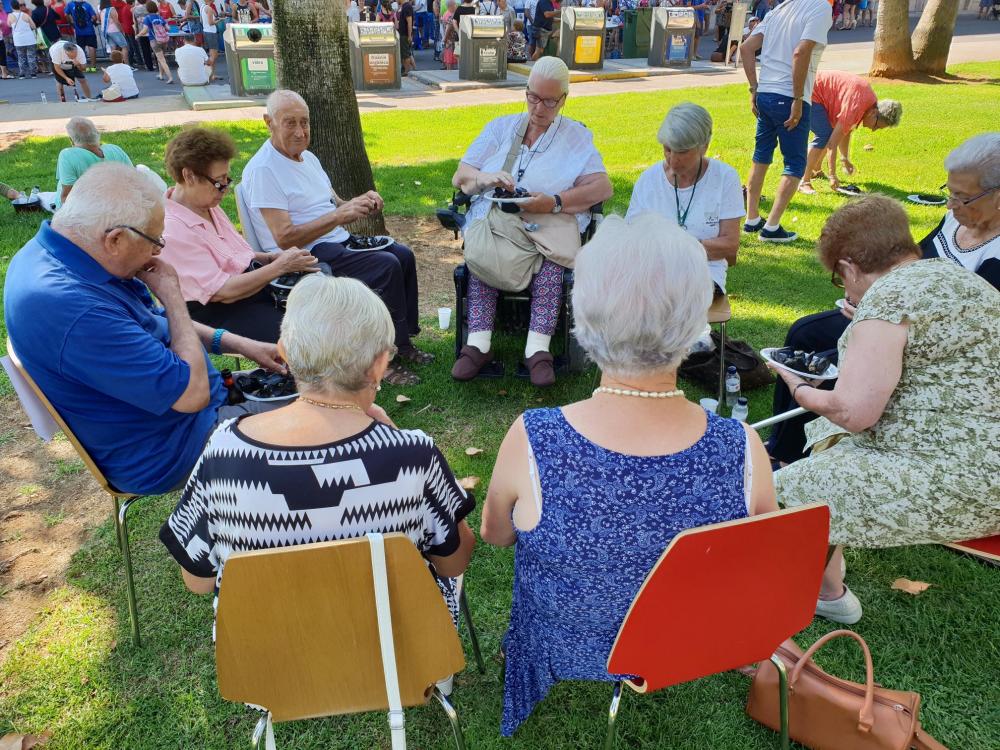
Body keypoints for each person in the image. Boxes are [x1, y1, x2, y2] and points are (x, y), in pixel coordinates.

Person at [480, 213, 777, 736]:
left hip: (564, 636)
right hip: (688, 639)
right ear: (696, 323)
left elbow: (496, 535)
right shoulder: (742, 445)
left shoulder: (535, 436)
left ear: (583, 312)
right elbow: (755, 562)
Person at [159, 274, 476, 631]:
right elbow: (454, 561)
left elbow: (198, 581)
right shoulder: (414, 455)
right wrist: (396, 439)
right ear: (379, 364)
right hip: (397, 655)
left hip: (268, 660)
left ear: (284, 352)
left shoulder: (224, 450)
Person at [772, 194, 1000, 625]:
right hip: (978, 457)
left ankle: (816, 593)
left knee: (783, 491)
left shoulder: (887, 300)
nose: (845, 291)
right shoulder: (956, 278)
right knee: (828, 442)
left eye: (839, 278)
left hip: (966, 480)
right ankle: (826, 577)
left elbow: (854, 413)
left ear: (849, 267)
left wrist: (799, 388)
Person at [4, 163, 292, 497]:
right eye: (155, 240)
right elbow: (193, 396)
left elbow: (153, 320)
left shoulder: (67, 252)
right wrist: (173, 296)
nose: (158, 251)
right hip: (175, 446)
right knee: (328, 406)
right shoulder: (74, 308)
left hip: (189, 412)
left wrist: (239, 344)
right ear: (115, 239)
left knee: (312, 382)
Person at [766, 132, 1000, 466]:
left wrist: (879, 306)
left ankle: (807, 452)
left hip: (930, 341)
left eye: (962, 197)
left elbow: (964, 320)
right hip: (896, 308)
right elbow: (912, 258)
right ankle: (783, 447)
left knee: (828, 364)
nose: (950, 205)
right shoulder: (957, 217)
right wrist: (870, 294)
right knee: (805, 334)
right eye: (949, 193)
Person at [242, 90, 432, 386]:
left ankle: (401, 341)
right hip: (303, 256)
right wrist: (339, 216)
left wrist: (358, 203)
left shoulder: (308, 158)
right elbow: (284, 237)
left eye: (305, 122)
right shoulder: (264, 169)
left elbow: (332, 204)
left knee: (402, 255)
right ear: (269, 122)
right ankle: (380, 361)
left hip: (334, 241)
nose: (300, 131)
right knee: (385, 266)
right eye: (290, 123)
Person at [450, 57, 613, 387]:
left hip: (547, 228)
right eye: (533, 97)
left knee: (552, 262)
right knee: (485, 252)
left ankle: (537, 349)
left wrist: (553, 202)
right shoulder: (500, 128)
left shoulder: (576, 137)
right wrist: (485, 178)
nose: (539, 108)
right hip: (498, 223)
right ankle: (478, 343)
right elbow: (461, 176)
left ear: (563, 99)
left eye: (549, 101)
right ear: (526, 91)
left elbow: (601, 188)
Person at [159, 127, 317, 343]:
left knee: (321, 307)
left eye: (227, 179)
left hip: (248, 292)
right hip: (216, 314)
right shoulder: (171, 230)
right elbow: (222, 291)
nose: (224, 188)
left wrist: (270, 258)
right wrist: (279, 267)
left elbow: (234, 256)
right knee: (305, 336)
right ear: (189, 176)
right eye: (219, 181)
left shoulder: (206, 205)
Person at [626, 102, 743, 299]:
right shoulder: (649, 180)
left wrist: (675, 250)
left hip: (704, 275)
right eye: (667, 149)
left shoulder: (725, 178)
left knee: (668, 297)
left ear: (704, 146)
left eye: (682, 152)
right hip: (652, 275)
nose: (673, 159)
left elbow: (730, 246)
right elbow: (630, 239)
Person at [740, 0, 831, 242]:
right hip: (789, 96)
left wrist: (754, 89)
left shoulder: (778, 10)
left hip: (766, 93)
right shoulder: (820, 8)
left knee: (761, 155)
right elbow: (800, 52)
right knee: (795, 163)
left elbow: (746, 48)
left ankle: (751, 219)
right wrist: (798, 98)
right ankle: (771, 227)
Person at [799, 71, 902, 194]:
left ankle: (816, 169)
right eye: (877, 126)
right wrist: (832, 175)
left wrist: (844, 159)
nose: (873, 130)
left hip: (817, 89)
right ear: (873, 113)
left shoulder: (870, 104)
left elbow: (845, 130)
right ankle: (804, 182)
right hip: (810, 91)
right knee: (824, 134)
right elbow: (832, 144)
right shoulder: (857, 106)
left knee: (829, 132)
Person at [54, 117, 133, 207]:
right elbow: (134, 181)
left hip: (85, 208)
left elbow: (66, 198)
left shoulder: (67, 155)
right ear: (97, 134)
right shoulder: (115, 149)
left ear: (71, 140)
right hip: (117, 204)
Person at [142, 0, 173, 82]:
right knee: (160, 58)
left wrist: (138, 35)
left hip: (154, 40)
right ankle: (161, 74)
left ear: (147, 9)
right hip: (164, 40)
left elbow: (144, 30)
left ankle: (170, 77)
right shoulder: (160, 17)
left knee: (161, 59)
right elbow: (168, 28)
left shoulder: (147, 18)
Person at [65, 0, 99, 69]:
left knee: (81, 49)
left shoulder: (70, 4)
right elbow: (94, 17)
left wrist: (71, 22)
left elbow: (66, 14)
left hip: (78, 31)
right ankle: (93, 67)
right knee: (91, 47)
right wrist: (92, 22)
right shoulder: (87, 5)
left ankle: (83, 67)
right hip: (89, 30)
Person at [9, 0, 37, 79]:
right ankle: (33, 73)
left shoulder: (10, 15)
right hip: (30, 39)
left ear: (12, 7)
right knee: (31, 56)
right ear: (19, 6)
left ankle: (22, 74)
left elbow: (8, 24)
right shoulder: (25, 15)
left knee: (21, 57)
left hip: (18, 40)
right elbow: (33, 26)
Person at [31, 0, 60, 75]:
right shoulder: (49, 9)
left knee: (49, 52)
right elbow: (58, 17)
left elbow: (34, 24)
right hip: (55, 33)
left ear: (33, 3)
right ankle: (60, 68)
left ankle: (54, 70)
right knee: (57, 51)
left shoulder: (35, 12)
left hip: (44, 35)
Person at [131, 0, 156, 70]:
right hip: (152, 31)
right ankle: (158, 64)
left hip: (141, 31)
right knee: (155, 49)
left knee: (145, 50)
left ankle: (149, 66)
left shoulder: (135, 9)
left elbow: (135, 22)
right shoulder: (149, 7)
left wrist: (136, 33)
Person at [397, 0, 415, 75]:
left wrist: (409, 35)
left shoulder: (407, 6)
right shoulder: (404, 6)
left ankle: (407, 72)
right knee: (405, 53)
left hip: (405, 34)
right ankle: (409, 70)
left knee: (406, 54)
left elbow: (409, 22)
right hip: (402, 34)